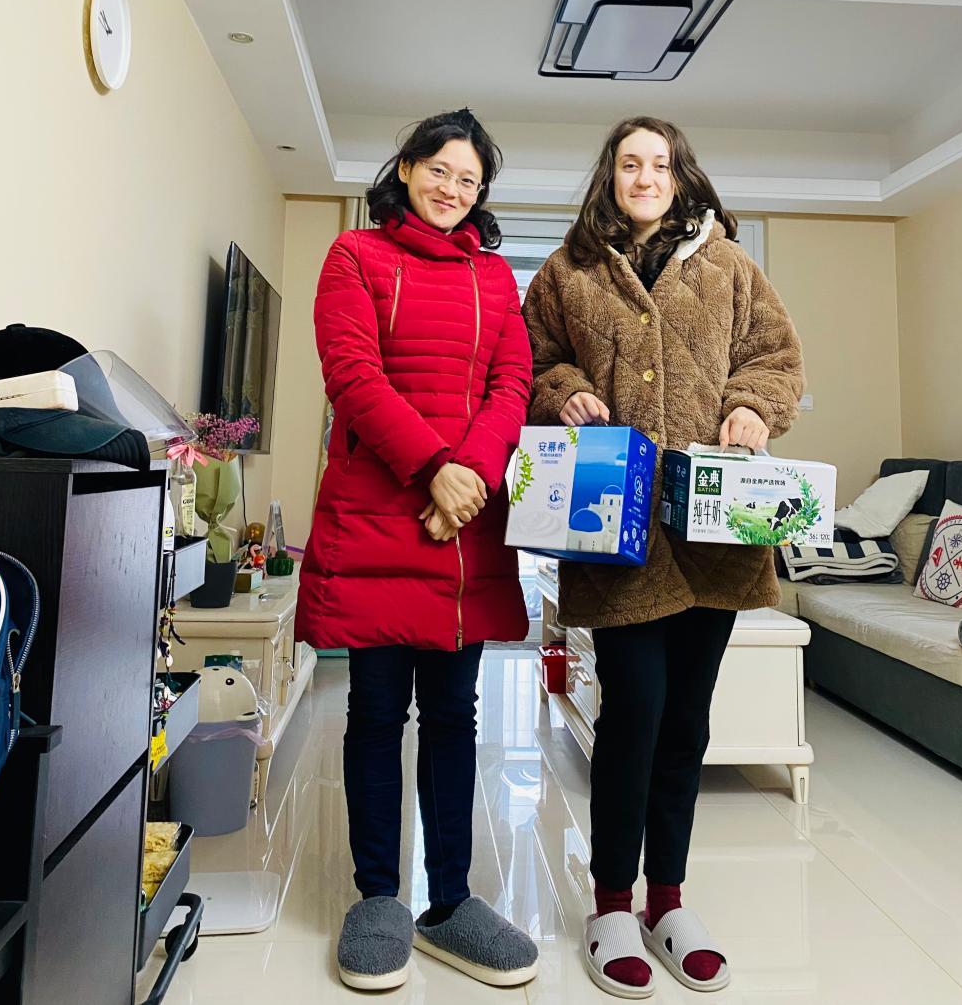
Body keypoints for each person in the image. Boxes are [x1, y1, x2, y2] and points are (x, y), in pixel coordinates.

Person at [523, 117, 804, 998]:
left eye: (659, 164)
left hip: (714, 538)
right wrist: (565, 392)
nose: (644, 176)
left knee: (686, 721)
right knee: (633, 714)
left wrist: (752, 406)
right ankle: (612, 904)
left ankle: (669, 901)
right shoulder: (567, 271)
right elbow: (532, 360)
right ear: (609, 176)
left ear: (681, 176)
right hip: (618, 533)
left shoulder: (729, 266)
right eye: (629, 163)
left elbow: (775, 358)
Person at [296, 108, 539, 992]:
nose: (452, 189)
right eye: (440, 170)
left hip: (462, 526)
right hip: (379, 517)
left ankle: (450, 902)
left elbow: (513, 381)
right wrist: (436, 471)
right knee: (374, 712)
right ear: (404, 168)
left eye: (469, 180)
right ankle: (377, 896)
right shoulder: (354, 257)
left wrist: (468, 477)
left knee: (454, 714)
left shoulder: (494, 277)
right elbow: (353, 376)